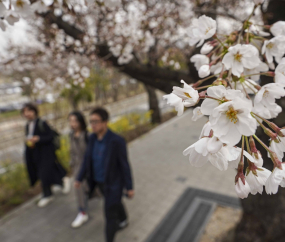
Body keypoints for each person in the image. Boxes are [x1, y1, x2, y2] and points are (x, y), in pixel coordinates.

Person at [75, 107, 134, 242]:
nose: (93, 125)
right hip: (99, 182)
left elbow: (125, 165)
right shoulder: (92, 139)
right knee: (115, 203)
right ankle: (124, 219)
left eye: (96, 121)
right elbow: (86, 160)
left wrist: (129, 187)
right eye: (91, 122)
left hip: (114, 184)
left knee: (109, 215)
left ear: (105, 122)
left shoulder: (117, 141)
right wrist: (79, 178)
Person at [22, 103, 67, 208]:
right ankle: (62, 181)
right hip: (36, 155)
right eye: (24, 112)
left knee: (43, 174)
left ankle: (47, 195)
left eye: (29, 111)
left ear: (34, 111)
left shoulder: (42, 123)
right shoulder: (27, 126)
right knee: (49, 171)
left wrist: (38, 139)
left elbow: (50, 136)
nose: (27, 114)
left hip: (46, 154)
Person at [68, 111, 89, 228]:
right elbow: (72, 152)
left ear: (81, 121)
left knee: (93, 188)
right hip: (77, 168)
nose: (73, 123)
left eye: (75, 121)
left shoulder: (87, 136)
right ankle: (82, 212)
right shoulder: (71, 135)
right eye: (70, 121)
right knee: (79, 189)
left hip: (87, 168)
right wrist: (71, 164)